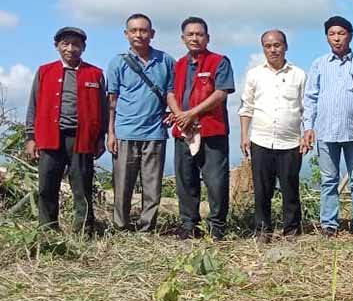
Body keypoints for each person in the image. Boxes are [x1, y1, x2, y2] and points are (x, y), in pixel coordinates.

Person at [24, 27, 108, 236]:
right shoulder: (44, 71)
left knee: (82, 185)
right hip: (50, 136)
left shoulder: (95, 74)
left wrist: (100, 137)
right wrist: (31, 137)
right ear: (57, 46)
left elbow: (103, 109)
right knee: (47, 185)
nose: (70, 48)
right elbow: (33, 105)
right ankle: (48, 229)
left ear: (83, 47)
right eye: (65, 44)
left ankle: (84, 230)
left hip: (82, 138)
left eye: (76, 44)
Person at [303, 17, 353, 241]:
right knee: (329, 180)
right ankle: (329, 224)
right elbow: (310, 98)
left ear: (350, 36)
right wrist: (308, 127)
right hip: (326, 132)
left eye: (341, 33)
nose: (336, 38)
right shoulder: (319, 64)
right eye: (332, 34)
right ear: (327, 37)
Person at [106, 13, 178, 233]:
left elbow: (172, 93)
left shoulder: (166, 61)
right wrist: (111, 133)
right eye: (134, 30)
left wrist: (173, 113)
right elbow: (112, 101)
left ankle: (147, 228)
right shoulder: (118, 62)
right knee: (122, 185)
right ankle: (121, 226)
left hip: (155, 132)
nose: (139, 34)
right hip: (125, 132)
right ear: (126, 34)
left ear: (152, 33)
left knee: (152, 186)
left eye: (143, 30)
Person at [240, 29, 308, 243]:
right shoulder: (254, 75)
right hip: (261, 139)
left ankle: (292, 230)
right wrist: (244, 135)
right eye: (268, 46)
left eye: (277, 45)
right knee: (262, 189)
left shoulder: (299, 74)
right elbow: (246, 107)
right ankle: (262, 230)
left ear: (285, 46)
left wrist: (305, 135)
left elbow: (306, 108)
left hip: (290, 141)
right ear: (263, 49)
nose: (273, 50)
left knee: (290, 188)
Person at [171, 16, 235, 241]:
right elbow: (170, 92)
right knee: (185, 180)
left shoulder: (219, 62)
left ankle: (217, 227)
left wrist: (192, 113)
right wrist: (180, 115)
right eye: (190, 34)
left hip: (212, 131)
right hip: (183, 131)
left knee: (216, 181)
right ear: (183, 38)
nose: (195, 38)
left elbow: (221, 92)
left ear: (207, 37)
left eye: (199, 34)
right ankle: (189, 225)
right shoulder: (177, 65)